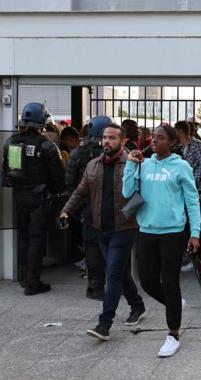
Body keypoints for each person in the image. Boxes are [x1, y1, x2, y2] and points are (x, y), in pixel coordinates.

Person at [60, 123, 146, 341]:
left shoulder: (133, 163)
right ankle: (137, 305)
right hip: (100, 228)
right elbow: (80, 192)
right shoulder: (93, 165)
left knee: (113, 273)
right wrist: (66, 211)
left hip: (124, 228)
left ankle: (104, 324)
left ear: (123, 141)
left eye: (112, 138)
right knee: (118, 271)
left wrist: (132, 214)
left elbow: (144, 192)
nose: (107, 141)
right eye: (105, 137)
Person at [123, 124, 201, 358]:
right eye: (153, 137)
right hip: (146, 230)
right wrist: (130, 164)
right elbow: (128, 193)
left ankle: (173, 334)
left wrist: (195, 232)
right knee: (147, 281)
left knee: (169, 281)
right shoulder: (143, 164)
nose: (154, 141)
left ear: (172, 142)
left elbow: (192, 200)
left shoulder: (181, 166)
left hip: (173, 233)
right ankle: (175, 303)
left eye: (160, 138)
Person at [1, 103, 65, 295]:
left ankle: (22, 276)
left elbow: (8, 170)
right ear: (42, 122)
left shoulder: (11, 142)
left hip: (19, 195)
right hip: (39, 196)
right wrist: (57, 192)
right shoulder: (46, 145)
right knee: (36, 237)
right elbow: (57, 176)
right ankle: (33, 281)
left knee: (23, 236)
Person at [66, 115, 114, 300]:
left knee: (92, 247)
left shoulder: (77, 153)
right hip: (111, 208)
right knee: (113, 248)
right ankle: (117, 286)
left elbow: (70, 183)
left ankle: (95, 288)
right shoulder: (116, 151)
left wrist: (77, 207)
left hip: (88, 208)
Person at [174, 120, 201, 270]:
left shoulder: (197, 146)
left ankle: (200, 258)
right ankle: (189, 257)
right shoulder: (178, 148)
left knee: (198, 227)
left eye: (175, 131)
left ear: (181, 131)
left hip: (197, 192)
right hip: (182, 192)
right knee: (185, 226)